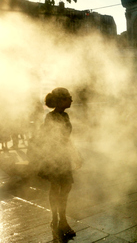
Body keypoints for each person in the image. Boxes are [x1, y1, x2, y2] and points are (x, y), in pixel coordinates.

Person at [38, 87, 76, 239]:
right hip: (53, 157)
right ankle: (58, 219)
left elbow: (67, 139)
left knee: (66, 187)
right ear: (61, 101)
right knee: (56, 187)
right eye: (68, 97)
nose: (71, 100)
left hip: (63, 156)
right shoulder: (50, 117)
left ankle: (60, 218)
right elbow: (49, 139)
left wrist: (75, 154)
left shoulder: (65, 116)